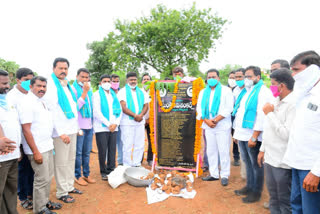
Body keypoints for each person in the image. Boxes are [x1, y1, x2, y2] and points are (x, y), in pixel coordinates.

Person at [283, 50, 320, 213]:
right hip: (297, 163)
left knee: (311, 210)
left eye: (296, 70)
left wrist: (316, 172)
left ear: (312, 69)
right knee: (296, 206)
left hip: (312, 168)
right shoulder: (303, 94)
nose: (293, 74)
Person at [19, 76, 62, 214]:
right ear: (31, 86)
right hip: (37, 148)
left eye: (44, 86)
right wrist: (35, 151)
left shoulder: (41, 102)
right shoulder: (26, 102)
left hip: (47, 145)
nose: (42, 89)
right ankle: (39, 209)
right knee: (41, 179)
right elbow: (26, 129)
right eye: (39, 86)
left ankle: (44, 202)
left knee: (48, 177)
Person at [257, 69, 295, 214]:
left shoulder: (293, 104)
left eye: (273, 84)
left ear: (282, 85)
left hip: (282, 161)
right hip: (270, 158)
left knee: (285, 200)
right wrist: (262, 150)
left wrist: (271, 114)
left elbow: (286, 134)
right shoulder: (275, 101)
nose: (271, 87)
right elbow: (268, 129)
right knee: (273, 197)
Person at [43, 57, 81, 204]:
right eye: (60, 68)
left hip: (71, 129)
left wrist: (76, 127)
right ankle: (62, 192)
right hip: (61, 132)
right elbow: (51, 111)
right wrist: (60, 132)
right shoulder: (51, 85)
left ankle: (69, 186)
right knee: (61, 162)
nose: (63, 71)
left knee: (71, 160)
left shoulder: (66, 85)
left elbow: (72, 107)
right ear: (54, 69)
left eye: (65, 68)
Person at [233, 66, 274, 203]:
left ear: (258, 77)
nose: (247, 79)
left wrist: (255, 136)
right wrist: (236, 134)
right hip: (243, 134)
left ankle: (256, 192)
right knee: (247, 163)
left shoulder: (263, 92)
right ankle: (249, 187)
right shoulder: (247, 91)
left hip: (253, 136)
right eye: (246, 76)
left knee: (256, 165)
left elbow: (262, 116)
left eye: (249, 76)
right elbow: (240, 113)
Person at [196, 69, 234, 186]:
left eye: (214, 77)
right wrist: (206, 120)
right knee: (211, 150)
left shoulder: (226, 91)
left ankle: (224, 174)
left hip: (222, 125)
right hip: (208, 126)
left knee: (223, 150)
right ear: (207, 79)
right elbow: (199, 108)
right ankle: (213, 174)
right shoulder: (203, 92)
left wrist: (216, 120)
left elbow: (229, 108)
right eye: (209, 77)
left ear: (218, 78)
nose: (211, 79)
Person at [6, 68, 35, 210]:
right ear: (18, 80)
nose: (29, 83)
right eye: (26, 80)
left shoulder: (31, 95)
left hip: (31, 139)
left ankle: (30, 193)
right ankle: (22, 197)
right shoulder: (11, 97)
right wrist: (17, 145)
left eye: (31, 80)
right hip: (19, 140)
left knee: (32, 168)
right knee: (22, 169)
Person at [93, 74, 122, 180]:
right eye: (104, 81)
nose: (107, 83)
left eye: (108, 81)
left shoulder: (114, 95)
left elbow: (119, 111)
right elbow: (96, 112)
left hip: (114, 127)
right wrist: (108, 124)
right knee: (102, 150)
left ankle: (111, 169)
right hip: (102, 128)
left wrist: (116, 124)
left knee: (112, 149)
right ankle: (103, 171)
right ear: (100, 83)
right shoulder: (96, 95)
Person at [0, 69, 21, 214]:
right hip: (1, 158)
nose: (7, 86)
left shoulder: (7, 100)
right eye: (4, 84)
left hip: (12, 156)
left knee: (11, 191)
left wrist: (18, 150)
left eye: (8, 83)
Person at [118, 72, 149, 167]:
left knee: (139, 144)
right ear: (127, 80)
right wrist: (135, 115)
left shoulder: (141, 92)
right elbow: (123, 107)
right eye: (131, 80)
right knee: (127, 144)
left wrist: (141, 115)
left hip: (139, 122)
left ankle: (136, 163)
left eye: (135, 79)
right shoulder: (122, 91)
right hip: (127, 122)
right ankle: (127, 165)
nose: (133, 81)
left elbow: (146, 105)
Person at [71, 68, 96, 186]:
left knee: (86, 152)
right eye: (82, 77)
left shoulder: (90, 90)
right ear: (77, 77)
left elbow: (91, 108)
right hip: (78, 127)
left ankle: (86, 174)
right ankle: (77, 175)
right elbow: (75, 108)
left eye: (87, 77)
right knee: (78, 153)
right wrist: (84, 93)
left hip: (89, 126)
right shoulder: (73, 90)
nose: (85, 79)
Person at [110, 74, 123, 166]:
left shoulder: (121, 92)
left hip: (121, 121)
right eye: (113, 81)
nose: (115, 83)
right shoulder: (107, 92)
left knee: (121, 142)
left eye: (117, 81)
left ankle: (121, 161)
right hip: (111, 123)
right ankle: (109, 162)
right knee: (110, 144)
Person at [141, 73, 153, 166]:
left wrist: (149, 118)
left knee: (151, 140)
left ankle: (150, 159)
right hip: (140, 120)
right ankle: (139, 160)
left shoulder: (154, 92)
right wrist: (143, 119)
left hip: (151, 120)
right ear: (142, 82)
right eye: (144, 79)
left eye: (148, 79)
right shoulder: (139, 92)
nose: (146, 80)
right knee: (140, 140)